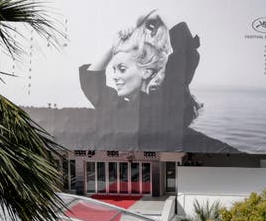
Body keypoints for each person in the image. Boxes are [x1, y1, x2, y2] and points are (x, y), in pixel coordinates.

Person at [80, 10, 238, 154]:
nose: (114, 76)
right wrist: (115, 45)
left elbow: (182, 47)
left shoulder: (167, 95)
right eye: (113, 70)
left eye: (122, 69)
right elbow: (91, 80)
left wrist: (157, 18)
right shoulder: (118, 107)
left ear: (146, 71)